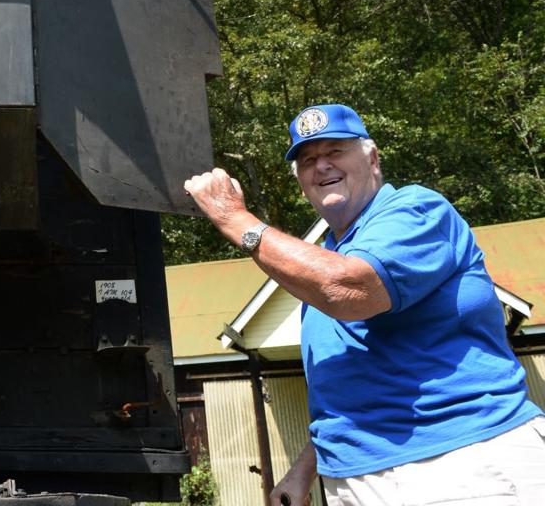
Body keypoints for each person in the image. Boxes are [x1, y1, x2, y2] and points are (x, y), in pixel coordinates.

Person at [184, 103, 545, 506]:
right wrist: (301, 472)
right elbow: (352, 385)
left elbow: (346, 289)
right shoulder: (324, 259)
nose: (322, 165)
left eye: (335, 151)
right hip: (354, 479)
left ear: (372, 158)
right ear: (301, 182)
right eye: (308, 160)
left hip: (459, 461)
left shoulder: (415, 209)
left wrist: (234, 219)